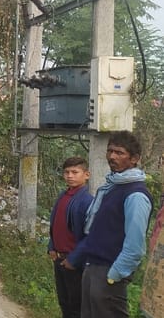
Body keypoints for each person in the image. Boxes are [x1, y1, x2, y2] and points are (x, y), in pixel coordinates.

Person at [64, 131, 153, 318]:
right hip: (93, 267)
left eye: (119, 153)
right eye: (110, 151)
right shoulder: (111, 188)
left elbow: (135, 246)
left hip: (109, 271)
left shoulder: (135, 195)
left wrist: (115, 274)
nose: (112, 156)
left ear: (134, 159)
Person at [47, 157, 92, 318]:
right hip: (59, 258)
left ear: (86, 175)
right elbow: (55, 225)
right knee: (64, 302)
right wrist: (51, 246)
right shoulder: (63, 196)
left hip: (74, 262)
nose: (70, 176)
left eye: (75, 172)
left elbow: (90, 236)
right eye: (66, 172)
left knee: (76, 307)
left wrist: (74, 259)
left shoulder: (87, 200)